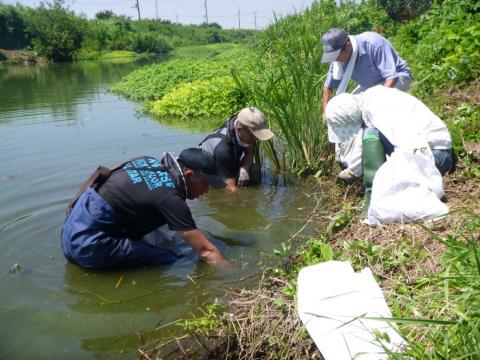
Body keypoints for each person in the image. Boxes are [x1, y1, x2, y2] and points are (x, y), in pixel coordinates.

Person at [61, 148, 230, 269]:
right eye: (206, 184)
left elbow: (103, 175)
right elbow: (207, 252)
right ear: (189, 175)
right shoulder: (171, 200)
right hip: (87, 248)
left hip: (72, 226)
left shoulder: (147, 161)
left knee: (163, 233)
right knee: (170, 258)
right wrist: (233, 274)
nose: (206, 191)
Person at [325, 85, 453, 215]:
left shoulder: (379, 112)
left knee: (387, 180)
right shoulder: (369, 99)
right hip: (434, 148)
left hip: (438, 155)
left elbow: (414, 146)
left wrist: (389, 176)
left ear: (351, 117)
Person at [320, 28, 413, 181]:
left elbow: (392, 76)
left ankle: (358, 167)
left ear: (348, 45)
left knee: (366, 115)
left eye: (337, 56)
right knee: (346, 110)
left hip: (398, 79)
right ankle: (346, 156)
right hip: (370, 85)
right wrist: (326, 113)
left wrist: (373, 104)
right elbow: (328, 87)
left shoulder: (373, 43)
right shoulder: (338, 59)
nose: (335, 60)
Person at [200, 107, 274, 192]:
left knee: (254, 169)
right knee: (228, 194)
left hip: (229, 160)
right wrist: (243, 200)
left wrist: (244, 168)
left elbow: (249, 152)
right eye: (254, 135)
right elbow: (231, 188)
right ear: (239, 130)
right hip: (212, 170)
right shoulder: (223, 149)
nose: (257, 139)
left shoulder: (244, 127)